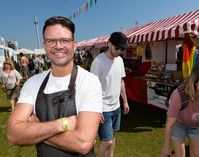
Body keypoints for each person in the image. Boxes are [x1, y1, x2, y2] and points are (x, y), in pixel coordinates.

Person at [7, 16, 103, 157]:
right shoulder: (33, 83)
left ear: (74, 45)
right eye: (51, 41)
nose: (58, 46)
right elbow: (13, 134)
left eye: (65, 40)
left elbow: (83, 143)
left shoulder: (89, 81)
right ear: (44, 46)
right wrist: (62, 124)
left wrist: (36, 128)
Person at [160, 62, 199, 157]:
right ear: (195, 81)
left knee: (196, 155)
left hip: (198, 126)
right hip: (178, 124)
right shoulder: (179, 95)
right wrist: (166, 147)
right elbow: (170, 124)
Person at [90, 32, 130, 157]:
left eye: (122, 49)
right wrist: (98, 110)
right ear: (109, 44)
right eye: (117, 48)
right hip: (103, 108)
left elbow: (121, 82)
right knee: (107, 141)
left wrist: (125, 101)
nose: (119, 51)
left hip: (116, 106)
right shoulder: (98, 61)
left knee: (113, 138)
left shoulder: (120, 61)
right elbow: (92, 87)